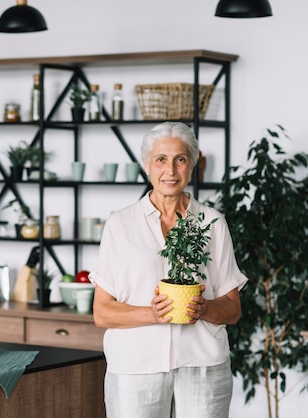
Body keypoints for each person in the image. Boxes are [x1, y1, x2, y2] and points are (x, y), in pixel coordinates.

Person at [90, 121, 248, 418]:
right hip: (135, 368)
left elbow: (232, 309)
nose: (171, 170)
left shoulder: (212, 223)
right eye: (161, 159)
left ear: (193, 165)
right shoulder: (119, 225)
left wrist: (202, 309)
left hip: (203, 367)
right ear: (146, 165)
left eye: (181, 159)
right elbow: (102, 312)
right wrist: (153, 313)